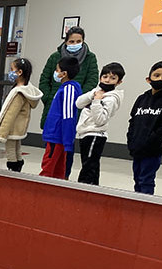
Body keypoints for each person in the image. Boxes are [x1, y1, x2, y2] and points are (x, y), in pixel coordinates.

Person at [38, 26, 99, 179]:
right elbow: (44, 80)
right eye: (71, 41)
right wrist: (48, 99)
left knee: (60, 159)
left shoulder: (89, 59)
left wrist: (79, 101)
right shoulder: (55, 57)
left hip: (66, 122)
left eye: (78, 41)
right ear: (65, 41)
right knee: (53, 158)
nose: (75, 44)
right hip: (54, 112)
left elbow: (92, 81)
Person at [126, 61, 162, 195]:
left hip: (152, 150)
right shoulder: (142, 98)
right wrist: (131, 140)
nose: (160, 79)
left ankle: (146, 209)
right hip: (137, 147)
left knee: (146, 180)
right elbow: (133, 120)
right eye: (157, 75)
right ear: (148, 79)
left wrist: (152, 140)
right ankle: (137, 205)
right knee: (137, 179)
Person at [75, 62, 125, 185]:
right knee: (91, 166)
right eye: (105, 77)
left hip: (95, 135)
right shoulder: (96, 92)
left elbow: (100, 120)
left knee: (88, 167)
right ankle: (93, 191)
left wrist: (97, 101)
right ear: (100, 77)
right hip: (84, 133)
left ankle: (83, 190)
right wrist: (93, 94)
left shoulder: (111, 98)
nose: (108, 80)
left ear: (118, 82)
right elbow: (78, 103)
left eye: (113, 78)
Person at [0, 58, 43, 172]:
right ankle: (18, 165)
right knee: (17, 147)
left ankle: (13, 168)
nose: (10, 73)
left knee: (10, 150)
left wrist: (2, 133)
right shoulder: (27, 89)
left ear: (19, 72)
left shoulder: (18, 93)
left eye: (12, 70)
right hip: (19, 128)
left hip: (12, 128)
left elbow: (10, 114)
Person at [40, 57, 82, 179]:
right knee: (58, 171)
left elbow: (68, 117)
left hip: (57, 137)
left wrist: (68, 141)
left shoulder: (69, 89)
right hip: (56, 137)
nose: (56, 72)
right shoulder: (64, 88)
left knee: (48, 169)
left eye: (57, 70)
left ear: (64, 74)